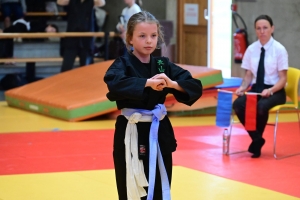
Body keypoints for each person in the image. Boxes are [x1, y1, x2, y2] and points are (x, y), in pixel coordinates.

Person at [104, 11, 203, 199]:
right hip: (132, 130)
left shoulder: (162, 66)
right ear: (130, 39)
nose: (149, 41)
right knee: (132, 185)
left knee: (159, 184)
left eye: (153, 36)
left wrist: (172, 84)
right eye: (142, 36)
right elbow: (114, 83)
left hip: (159, 132)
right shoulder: (123, 64)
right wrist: (146, 83)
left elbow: (194, 86)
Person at [233, 15, 288, 158]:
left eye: (265, 28)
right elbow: (248, 76)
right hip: (257, 89)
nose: (262, 31)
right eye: (258, 28)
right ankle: (257, 139)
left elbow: (283, 79)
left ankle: (256, 143)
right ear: (255, 30)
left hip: (276, 90)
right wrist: (242, 88)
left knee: (261, 107)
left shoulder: (279, 50)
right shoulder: (251, 49)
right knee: (238, 105)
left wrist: (270, 90)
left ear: (272, 29)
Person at [57, 0, 105, 72]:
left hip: (86, 37)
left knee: (86, 67)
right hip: (72, 36)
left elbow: (102, 3)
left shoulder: (91, 1)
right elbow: (59, 2)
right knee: (66, 66)